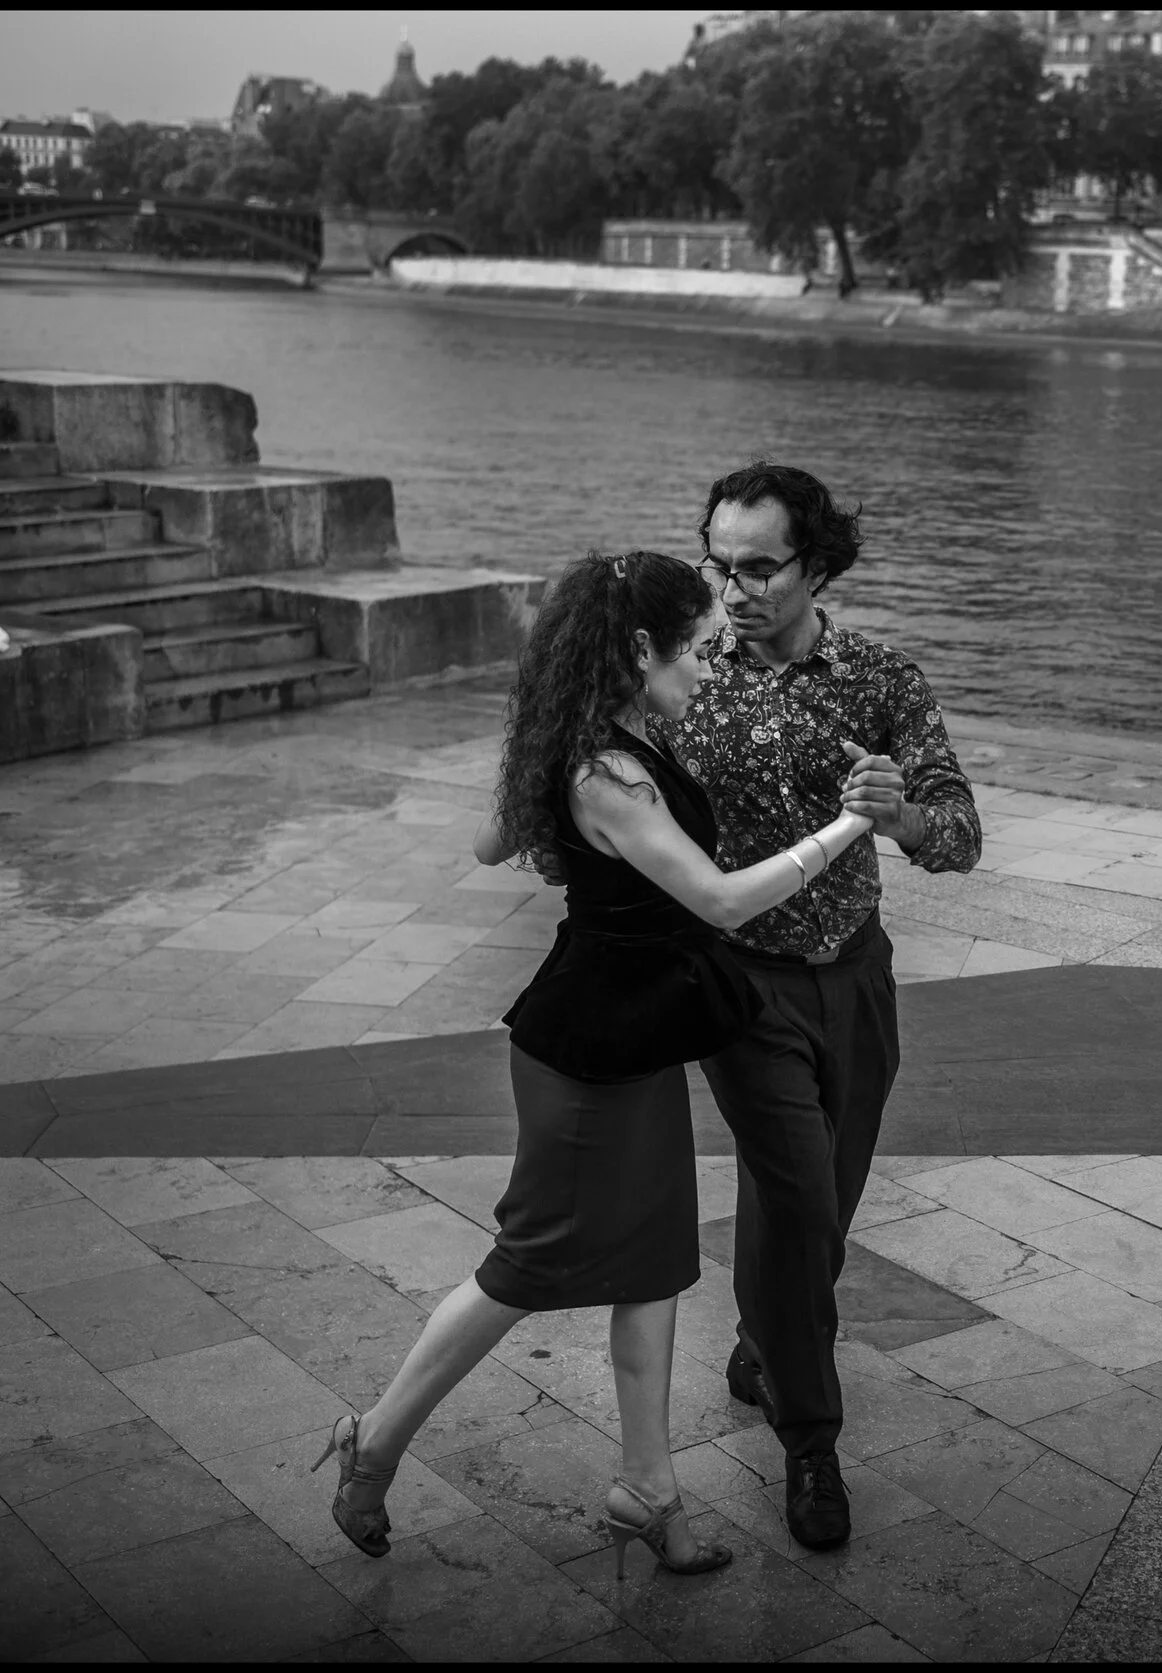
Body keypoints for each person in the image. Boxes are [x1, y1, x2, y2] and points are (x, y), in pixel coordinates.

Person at [315, 551, 877, 1581]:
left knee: (658, 1261)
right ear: (635, 651)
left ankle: (649, 1487)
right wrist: (848, 825)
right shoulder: (602, 770)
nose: (707, 666)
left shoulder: (591, 743)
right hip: (585, 1061)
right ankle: (376, 1439)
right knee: (528, 1264)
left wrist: (555, 784)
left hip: (634, 1039)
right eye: (690, 647)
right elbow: (717, 900)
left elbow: (492, 844)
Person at [662, 462, 983, 1551]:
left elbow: (960, 835)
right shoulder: (680, 678)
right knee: (796, 1192)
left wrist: (899, 814)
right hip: (738, 984)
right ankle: (810, 1441)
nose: (734, 587)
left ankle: (765, 1335)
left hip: (854, 972)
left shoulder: (881, 679)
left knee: (826, 1197)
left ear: (818, 563)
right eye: (719, 563)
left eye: (760, 566)